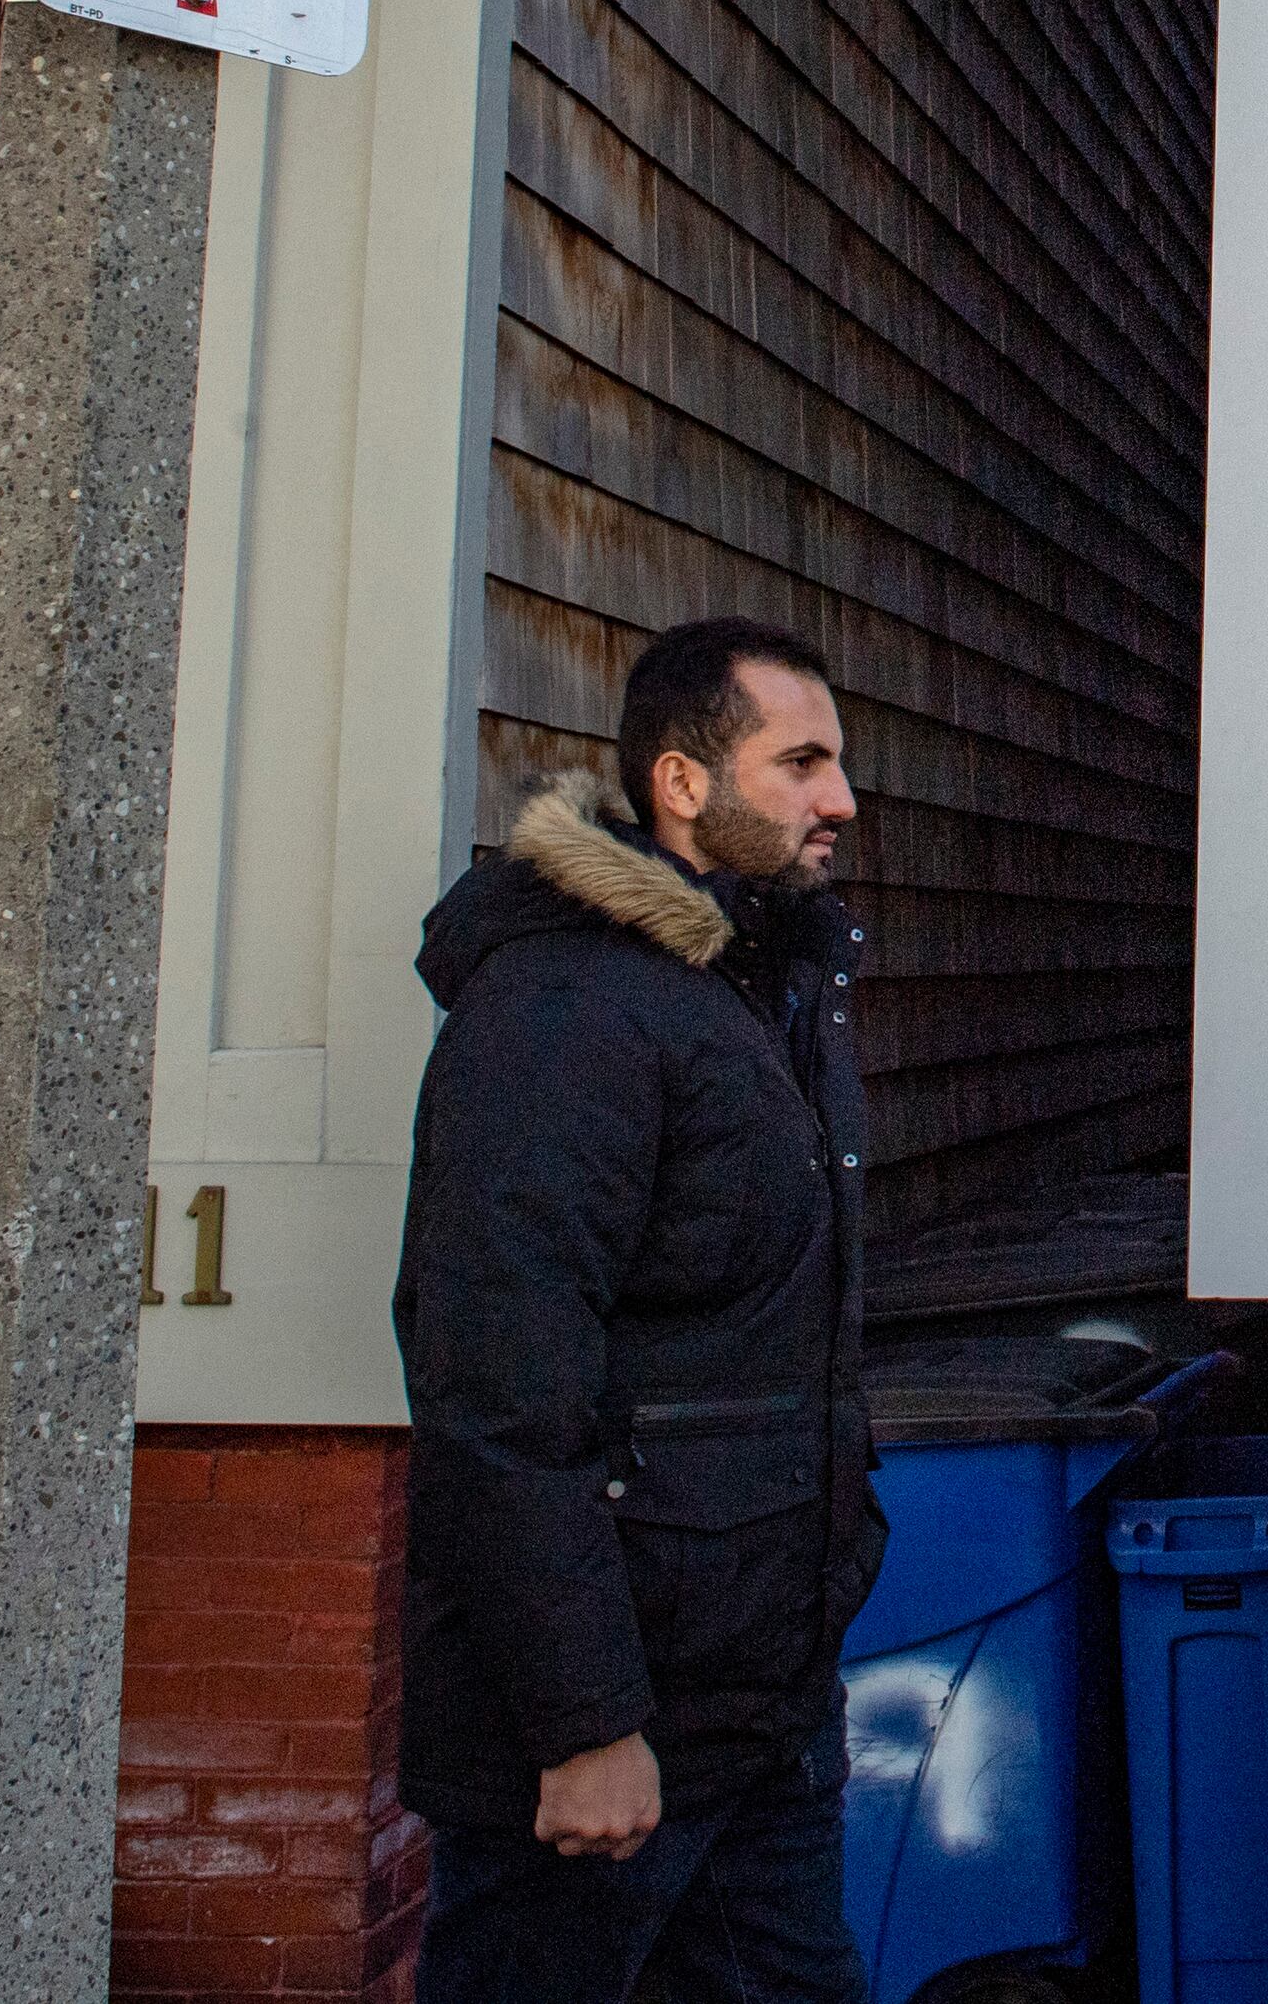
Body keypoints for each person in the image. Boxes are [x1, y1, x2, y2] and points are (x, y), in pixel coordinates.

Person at [392, 617, 883, 2004]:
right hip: (612, 1744)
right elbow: (497, 1385)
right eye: (802, 763)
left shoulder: (755, 992)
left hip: (760, 1722)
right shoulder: (566, 1009)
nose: (842, 800)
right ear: (682, 782)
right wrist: (585, 1722)